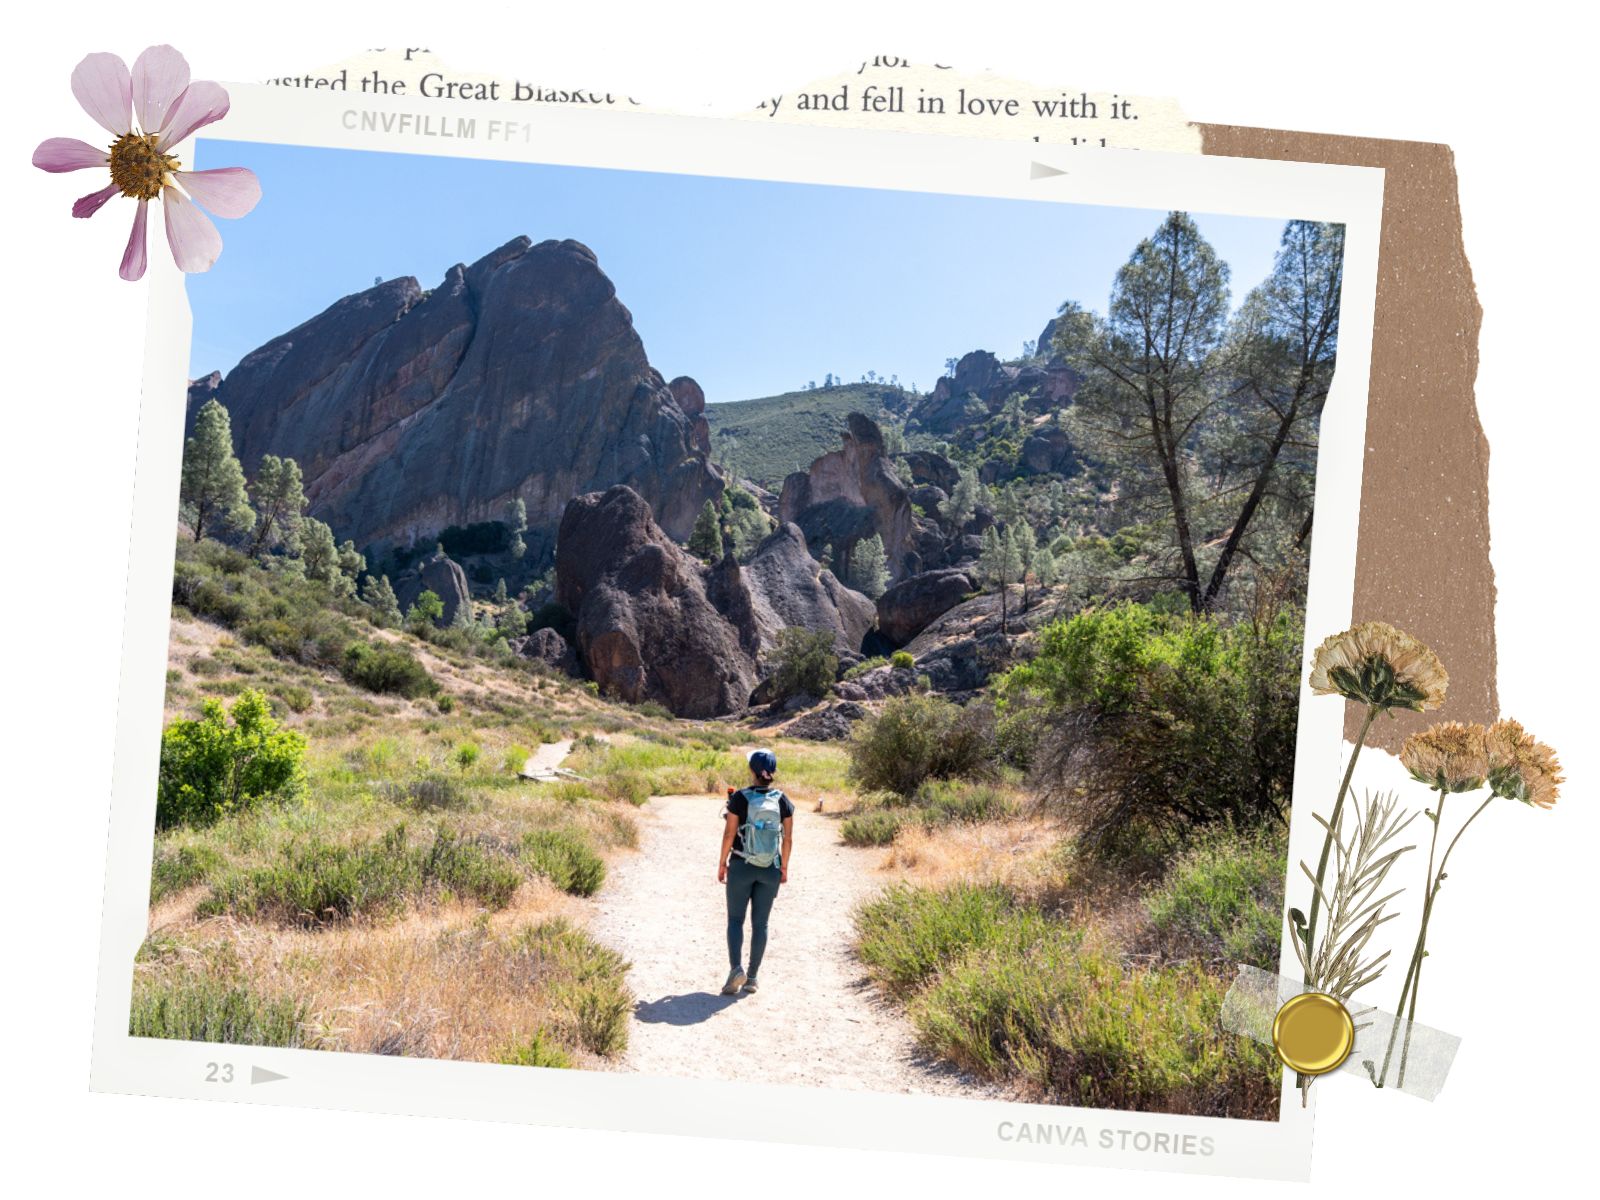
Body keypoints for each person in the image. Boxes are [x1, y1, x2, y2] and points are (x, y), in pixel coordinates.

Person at [716, 748, 794, 995]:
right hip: (770, 868)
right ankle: (752, 977)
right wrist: (783, 867)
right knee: (761, 924)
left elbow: (730, 833)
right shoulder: (783, 801)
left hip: (741, 865)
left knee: (735, 920)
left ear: (752, 770)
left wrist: (722, 862)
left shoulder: (739, 798)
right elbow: (788, 839)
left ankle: (735, 969)